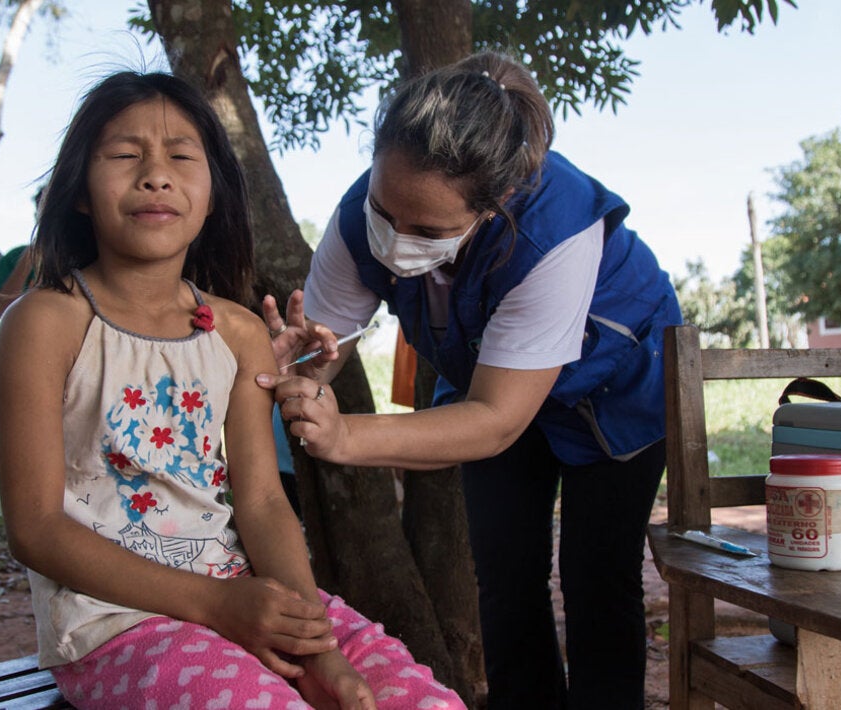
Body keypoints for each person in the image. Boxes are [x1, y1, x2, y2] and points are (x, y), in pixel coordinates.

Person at [0, 70, 461, 710]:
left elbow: (264, 502)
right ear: (79, 189)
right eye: (126, 155)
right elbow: (36, 528)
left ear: (212, 193)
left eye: (181, 157)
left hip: (248, 594)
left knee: (416, 700)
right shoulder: (45, 323)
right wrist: (217, 605)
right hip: (115, 624)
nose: (155, 174)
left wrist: (318, 648)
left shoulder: (235, 332)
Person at [259, 52, 682, 709]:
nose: (395, 240)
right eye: (385, 211)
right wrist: (306, 367)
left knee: (598, 576)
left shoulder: (553, 231)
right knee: (506, 574)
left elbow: (496, 419)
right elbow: (325, 344)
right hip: (493, 377)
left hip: (615, 390)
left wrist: (344, 437)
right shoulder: (362, 215)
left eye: (427, 231)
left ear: (497, 205)